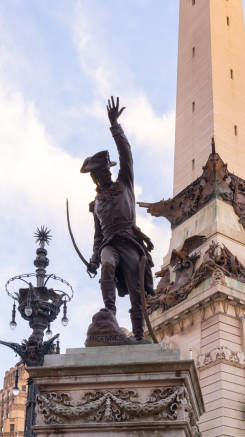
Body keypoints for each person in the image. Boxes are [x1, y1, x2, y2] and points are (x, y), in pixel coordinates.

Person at [80, 96, 154, 342]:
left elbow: (126, 153)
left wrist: (115, 126)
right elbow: (98, 235)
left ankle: (139, 335)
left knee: (136, 292)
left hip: (129, 240)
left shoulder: (124, 183)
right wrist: (93, 259)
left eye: (101, 173)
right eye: (95, 176)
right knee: (107, 264)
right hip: (110, 244)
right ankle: (109, 313)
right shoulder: (97, 204)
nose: (98, 178)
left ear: (108, 171)